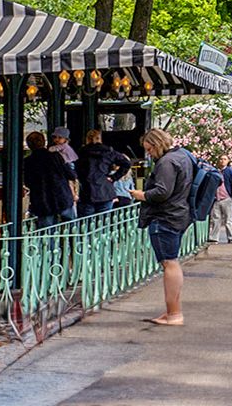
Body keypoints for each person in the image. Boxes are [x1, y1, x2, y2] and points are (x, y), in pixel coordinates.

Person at [130, 128, 195, 326]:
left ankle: (174, 313)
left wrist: (141, 195)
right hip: (178, 214)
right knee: (171, 262)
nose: (149, 154)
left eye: (149, 149)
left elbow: (162, 191)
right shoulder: (183, 155)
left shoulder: (167, 162)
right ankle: (171, 312)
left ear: (157, 144)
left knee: (169, 263)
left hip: (165, 217)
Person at [22, 131, 77, 228]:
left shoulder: (28, 162)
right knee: (71, 228)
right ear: (44, 142)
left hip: (42, 201)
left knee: (47, 232)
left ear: (29, 145)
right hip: (62, 198)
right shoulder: (56, 156)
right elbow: (71, 175)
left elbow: (28, 182)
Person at [75, 129, 131, 218]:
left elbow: (76, 169)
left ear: (87, 139)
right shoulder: (109, 152)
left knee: (86, 224)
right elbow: (126, 163)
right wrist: (114, 177)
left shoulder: (81, 153)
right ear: (100, 139)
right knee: (104, 223)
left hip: (87, 192)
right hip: (105, 191)